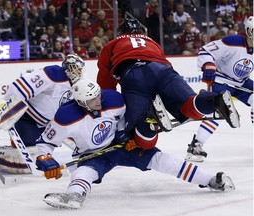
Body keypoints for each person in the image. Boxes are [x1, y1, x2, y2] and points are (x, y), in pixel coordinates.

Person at [35, 78, 235, 210]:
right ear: (81, 103)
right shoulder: (65, 117)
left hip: (121, 145)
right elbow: (45, 143)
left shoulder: (112, 99)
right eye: (92, 99)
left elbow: (127, 119)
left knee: (161, 159)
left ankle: (210, 179)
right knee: (83, 173)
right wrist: (46, 159)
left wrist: (129, 136)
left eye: (98, 94)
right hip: (93, 154)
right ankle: (74, 196)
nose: (99, 99)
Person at [96, 17, 240, 151]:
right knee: (189, 106)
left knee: (141, 137)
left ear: (121, 32)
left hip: (134, 74)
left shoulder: (112, 44)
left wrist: (111, 108)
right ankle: (215, 101)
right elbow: (162, 62)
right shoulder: (152, 42)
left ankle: (149, 118)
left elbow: (105, 81)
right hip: (163, 70)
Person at [0, 54, 86, 174]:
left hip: (45, 125)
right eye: (74, 68)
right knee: (30, 158)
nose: (77, 72)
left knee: (40, 156)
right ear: (67, 67)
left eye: (79, 69)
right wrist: (10, 109)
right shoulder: (55, 73)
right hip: (26, 119)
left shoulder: (75, 85)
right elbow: (20, 88)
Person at [185, 16, 253, 162]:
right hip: (221, 81)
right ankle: (196, 145)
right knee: (220, 111)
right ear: (248, 31)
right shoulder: (232, 42)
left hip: (241, 83)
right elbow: (205, 51)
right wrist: (208, 65)